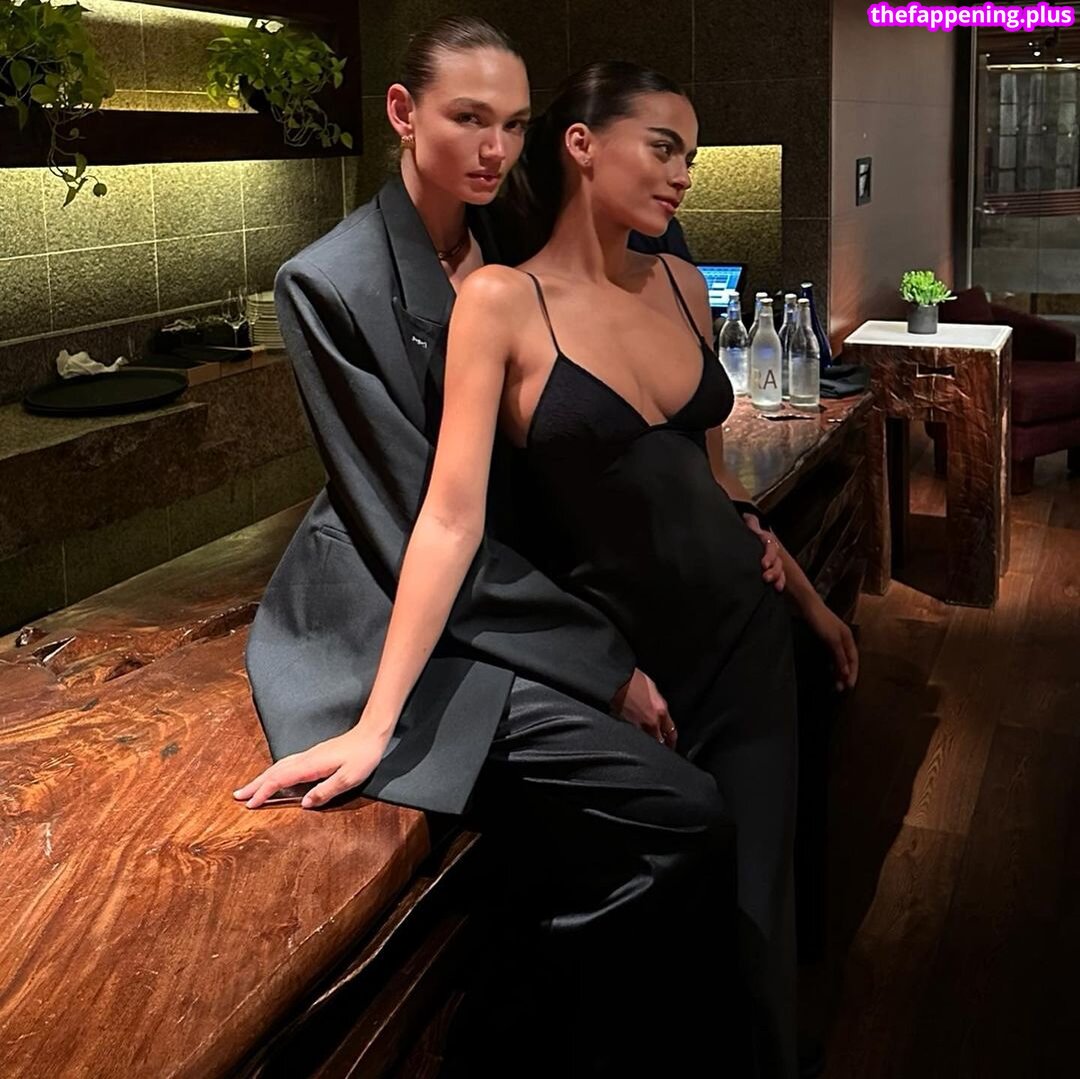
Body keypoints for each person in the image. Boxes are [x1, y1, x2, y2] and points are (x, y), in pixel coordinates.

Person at [237, 18, 747, 1075]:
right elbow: (413, 516)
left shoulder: (512, 230)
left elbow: (641, 270)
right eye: (469, 118)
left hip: (510, 589)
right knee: (681, 809)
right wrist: (598, 661)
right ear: (402, 112)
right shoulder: (330, 283)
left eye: (514, 125)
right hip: (393, 610)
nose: (495, 149)